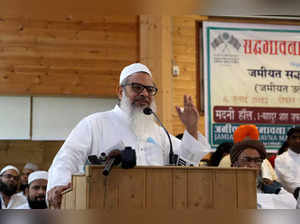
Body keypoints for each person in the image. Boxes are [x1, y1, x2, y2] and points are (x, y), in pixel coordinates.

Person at [47, 62, 211, 208]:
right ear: (120, 92)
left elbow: (185, 165)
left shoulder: (159, 132)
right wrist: (59, 185)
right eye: (137, 87)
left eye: (149, 89)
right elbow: (67, 158)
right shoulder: (95, 124)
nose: (145, 94)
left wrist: (191, 128)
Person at [230, 139, 297, 209]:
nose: (252, 165)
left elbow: (292, 203)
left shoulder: (270, 186)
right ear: (235, 164)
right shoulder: (223, 188)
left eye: (257, 161)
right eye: (247, 160)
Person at [275, 127, 300, 196]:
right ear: (288, 140)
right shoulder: (280, 159)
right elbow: (288, 182)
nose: (298, 141)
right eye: (294, 137)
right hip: (288, 199)